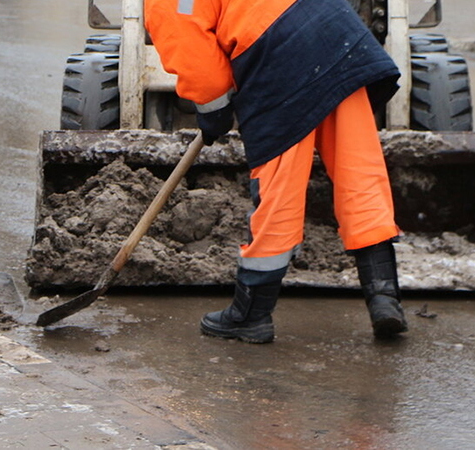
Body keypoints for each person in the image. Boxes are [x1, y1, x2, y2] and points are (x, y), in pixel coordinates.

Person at [144, 0, 408, 342]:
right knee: (359, 172)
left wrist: (212, 109)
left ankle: (251, 314)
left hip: (278, 51)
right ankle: (384, 298)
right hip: (334, 30)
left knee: (279, 190)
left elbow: (193, 53)